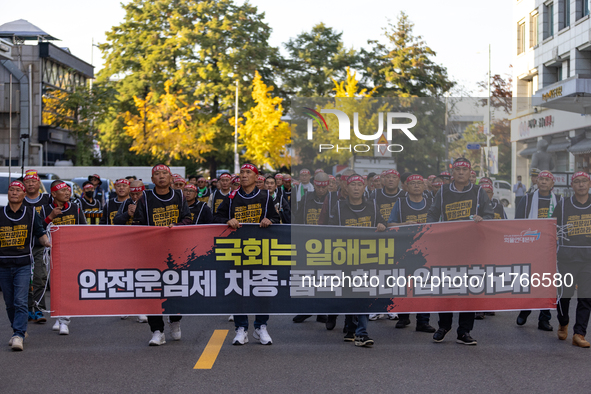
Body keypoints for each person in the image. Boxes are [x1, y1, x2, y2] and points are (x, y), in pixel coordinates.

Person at [427, 158, 494, 345]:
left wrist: (483, 218)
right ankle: (443, 326)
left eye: (465, 169)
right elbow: (432, 214)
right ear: (452, 172)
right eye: (458, 169)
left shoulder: (478, 191)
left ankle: (464, 331)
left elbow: (490, 215)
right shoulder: (443, 191)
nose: (461, 172)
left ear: (470, 172)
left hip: (471, 248)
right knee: (446, 289)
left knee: (468, 291)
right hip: (447, 248)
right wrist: (433, 229)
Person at [213, 163, 280, 345]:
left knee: (262, 289)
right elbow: (216, 217)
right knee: (239, 290)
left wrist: (269, 220)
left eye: (248, 172)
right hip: (237, 250)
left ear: (257, 177)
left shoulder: (265, 197)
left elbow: (277, 219)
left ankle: (261, 326)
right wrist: (228, 220)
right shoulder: (232, 197)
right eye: (242, 172)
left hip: (261, 249)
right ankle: (241, 328)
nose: (243, 175)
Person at [132, 164, 193, 346]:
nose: (161, 177)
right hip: (152, 251)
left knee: (176, 289)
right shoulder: (146, 198)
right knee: (153, 291)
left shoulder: (179, 196)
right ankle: (157, 331)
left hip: (176, 252)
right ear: (152, 180)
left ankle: (174, 321)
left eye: (164, 173)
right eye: (157, 174)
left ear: (171, 177)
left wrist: (177, 227)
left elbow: (188, 219)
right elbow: (137, 224)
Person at [328, 174, 387, 347]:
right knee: (350, 294)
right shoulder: (338, 207)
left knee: (364, 293)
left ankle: (361, 332)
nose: (355, 188)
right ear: (346, 188)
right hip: (345, 258)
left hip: (367, 258)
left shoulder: (373, 207)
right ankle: (350, 327)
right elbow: (328, 231)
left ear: (364, 188)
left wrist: (382, 226)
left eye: (358, 185)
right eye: (352, 185)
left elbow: (384, 224)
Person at [1, 181, 51, 351]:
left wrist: (48, 243)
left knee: (20, 300)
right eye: (11, 190)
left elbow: (41, 234)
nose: (14, 193)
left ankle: (18, 334)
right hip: (3, 265)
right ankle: (18, 328)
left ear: (24, 195)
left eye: (17, 190)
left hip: (23, 264)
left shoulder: (31, 213)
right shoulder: (1, 213)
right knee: (9, 303)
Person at [387, 174, 436, 332]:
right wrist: (404, 224)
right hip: (405, 249)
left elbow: (442, 223)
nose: (416, 186)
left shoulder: (431, 203)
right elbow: (390, 224)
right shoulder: (400, 204)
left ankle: (423, 321)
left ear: (424, 186)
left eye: (419, 183)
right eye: (412, 183)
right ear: (406, 187)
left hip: (427, 250)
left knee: (424, 285)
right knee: (404, 284)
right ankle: (403, 317)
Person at [514, 170, 560, 331]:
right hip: (531, 247)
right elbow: (517, 223)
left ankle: (544, 319)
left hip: (550, 248)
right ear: (536, 182)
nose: (544, 182)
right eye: (541, 179)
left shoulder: (559, 201)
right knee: (530, 281)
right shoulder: (526, 199)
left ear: (552, 183)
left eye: (547, 179)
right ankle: (524, 311)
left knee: (547, 283)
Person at [40, 180, 87, 335]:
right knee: (55, 286)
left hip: (71, 253)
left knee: (66, 286)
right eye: (63, 191)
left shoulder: (75, 208)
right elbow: (38, 230)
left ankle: (64, 321)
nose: (67, 193)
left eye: (68, 190)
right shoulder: (45, 209)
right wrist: (50, 217)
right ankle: (58, 316)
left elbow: (83, 229)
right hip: (51, 253)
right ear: (53, 194)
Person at [553, 172, 591, 348]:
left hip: (588, 259)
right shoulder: (563, 205)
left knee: (586, 297)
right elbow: (551, 230)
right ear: (572, 185)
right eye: (577, 182)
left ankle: (579, 333)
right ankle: (563, 321)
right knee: (564, 296)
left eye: (584, 181)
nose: (581, 185)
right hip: (567, 258)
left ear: (589, 184)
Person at [22, 171, 51, 324]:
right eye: (28, 182)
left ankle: (39, 309)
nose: (31, 184)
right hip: (23, 247)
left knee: (40, 278)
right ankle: (26, 309)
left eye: (34, 181)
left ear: (39, 182)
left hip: (42, 245)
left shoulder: (47, 199)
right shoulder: (20, 200)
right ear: (24, 185)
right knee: (25, 279)